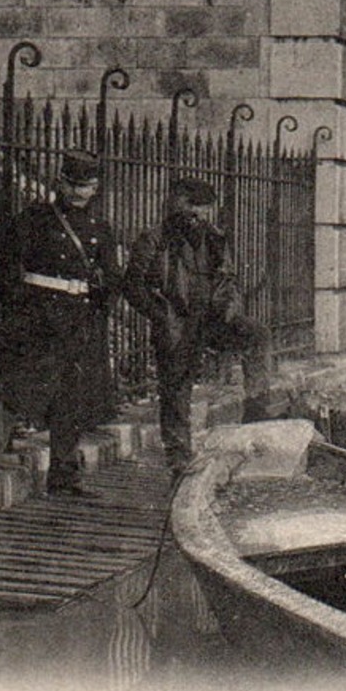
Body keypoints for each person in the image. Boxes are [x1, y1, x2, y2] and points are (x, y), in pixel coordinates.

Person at [0, 149, 121, 497]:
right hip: (37, 315)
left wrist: (99, 302)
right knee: (17, 385)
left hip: (77, 319)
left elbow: (113, 277)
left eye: (85, 186)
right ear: (60, 181)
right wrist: (18, 307)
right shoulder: (35, 219)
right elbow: (5, 266)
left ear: (96, 188)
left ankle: (64, 473)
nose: (78, 192)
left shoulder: (101, 229)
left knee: (70, 395)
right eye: (72, 184)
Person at [124, 177, 275, 472]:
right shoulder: (154, 239)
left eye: (203, 208)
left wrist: (228, 309)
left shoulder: (215, 238)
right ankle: (179, 455)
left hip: (214, 319)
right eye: (190, 205)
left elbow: (228, 279)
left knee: (257, 335)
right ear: (173, 203)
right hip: (177, 322)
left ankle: (256, 419)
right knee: (177, 383)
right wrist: (162, 315)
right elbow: (133, 286)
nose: (196, 214)